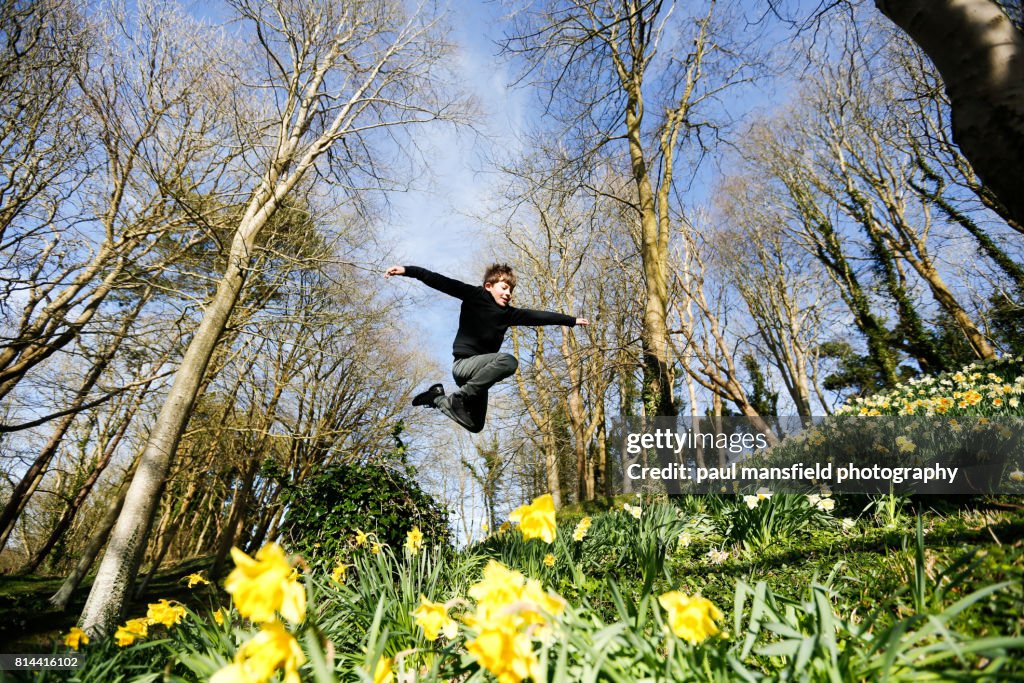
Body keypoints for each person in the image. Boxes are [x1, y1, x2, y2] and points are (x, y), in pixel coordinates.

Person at [385, 263, 589, 432]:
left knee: (475, 425)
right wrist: (407, 270)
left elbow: (539, 316)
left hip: (478, 377)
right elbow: (437, 279)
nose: (508, 293)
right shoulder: (473, 295)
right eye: (504, 288)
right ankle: (459, 397)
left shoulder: (509, 314)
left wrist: (571, 320)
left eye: (511, 290)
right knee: (508, 361)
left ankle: (436, 397)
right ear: (488, 286)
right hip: (464, 366)